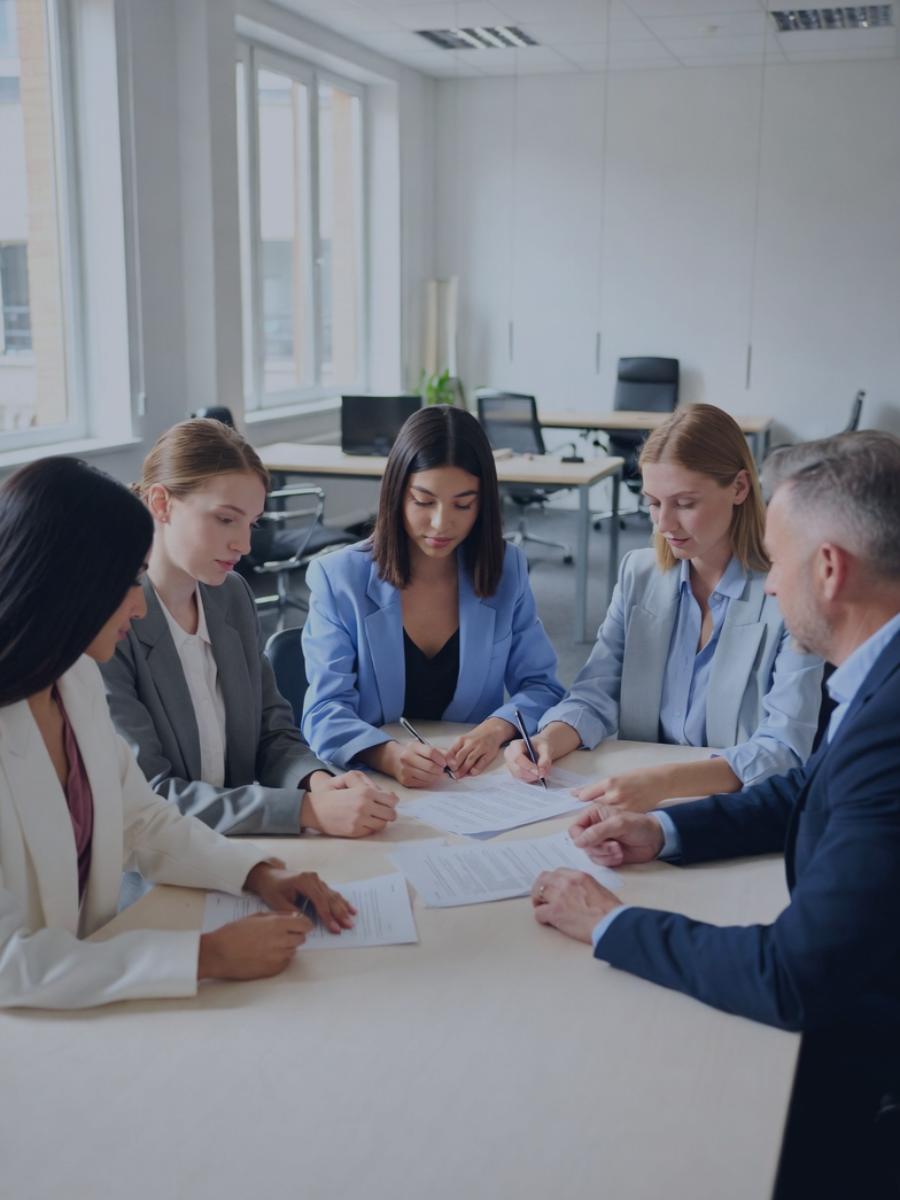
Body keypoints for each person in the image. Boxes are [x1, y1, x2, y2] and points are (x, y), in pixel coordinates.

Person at [530, 431, 900, 1199]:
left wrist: (607, 922)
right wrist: (663, 830)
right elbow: (811, 793)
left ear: (828, 570)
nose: (768, 586)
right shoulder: (877, 678)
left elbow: (791, 975)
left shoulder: (888, 725)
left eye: (781, 561)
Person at [0, 457, 354, 1010]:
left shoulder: (73, 683)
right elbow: (9, 963)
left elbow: (141, 819)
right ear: (63, 583)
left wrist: (258, 874)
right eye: (125, 583)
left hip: (90, 994)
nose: (140, 604)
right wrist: (202, 956)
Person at [506, 403, 823, 810]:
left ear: (740, 488)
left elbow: (785, 748)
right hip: (642, 797)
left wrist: (666, 780)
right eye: (653, 502)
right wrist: (547, 739)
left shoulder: (790, 593)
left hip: (738, 808)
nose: (663, 524)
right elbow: (595, 693)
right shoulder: (640, 573)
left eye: (685, 503)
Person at [101, 419, 398, 843]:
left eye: (252, 523)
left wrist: (314, 781)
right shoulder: (109, 624)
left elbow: (271, 730)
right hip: (157, 871)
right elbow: (150, 795)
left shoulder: (231, 595)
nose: (245, 544)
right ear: (162, 504)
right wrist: (305, 810)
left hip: (242, 849)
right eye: (226, 519)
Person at [301, 404, 565, 787]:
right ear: (396, 496)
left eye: (463, 504)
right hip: (375, 782)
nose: (442, 523)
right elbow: (324, 709)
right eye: (423, 501)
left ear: (484, 503)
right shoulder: (338, 577)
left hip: (476, 782)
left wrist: (494, 730)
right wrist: (387, 756)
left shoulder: (507, 569)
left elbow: (542, 686)